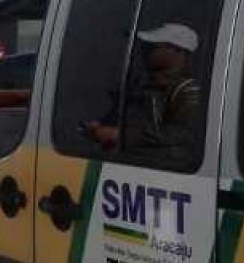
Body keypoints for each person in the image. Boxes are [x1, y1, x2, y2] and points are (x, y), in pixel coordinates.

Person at [85, 23, 205, 168]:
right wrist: (100, 127)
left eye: (152, 46)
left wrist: (119, 135)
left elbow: (185, 134)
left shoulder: (187, 90)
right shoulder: (140, 84)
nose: (144, 50)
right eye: (144, 46)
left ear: (178, 51)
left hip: (159, 172)